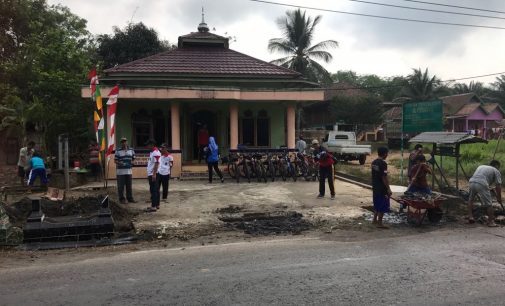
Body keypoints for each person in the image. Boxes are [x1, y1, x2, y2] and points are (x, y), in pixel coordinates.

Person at [467, 160, 502, 227]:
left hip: (472, 182)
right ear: (497, 166)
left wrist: (488, 188)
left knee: (470, 200)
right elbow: (498, 186)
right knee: (489, 204)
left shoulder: (481, 166)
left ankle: (470, 217)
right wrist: (499, 198)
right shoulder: (496, 170)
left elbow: (482, 177)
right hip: (482, 183)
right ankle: (491, 222)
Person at [371, 147, 392, 229]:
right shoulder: (383, 164)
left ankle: (374, 220)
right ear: (385, 154)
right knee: (383, 205)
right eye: (387, 153)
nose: (387, 155)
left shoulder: (374, 162)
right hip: (382, 188)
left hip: (375, 186)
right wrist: (388, 188)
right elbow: (384, 177)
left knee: (376, 203)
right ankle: (380, 223)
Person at [114, 137, 136, 204]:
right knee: (121, 186)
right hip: (120, 172)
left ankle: (130, 198)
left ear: (127, 142)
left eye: (125, 141)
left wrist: (133, 162)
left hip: (129, 171)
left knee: (129, 185)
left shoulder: (131, 150)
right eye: (122, 142)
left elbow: (134, 158)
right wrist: (120, 163)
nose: (124, 143)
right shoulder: (118, 150)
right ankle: (122, 199)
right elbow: (115, 160)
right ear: (121, 143)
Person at [145, 139, 161, 212]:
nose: (147, 146)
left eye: (148, 145)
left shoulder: (156, 153)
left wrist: (154, 174)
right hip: (152, 173)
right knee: (155, 189)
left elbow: (156, 163)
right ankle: (157, 204)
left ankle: (153, 206)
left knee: (153, 190)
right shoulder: (152, 152)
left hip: (153, 174)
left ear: (151, 145)